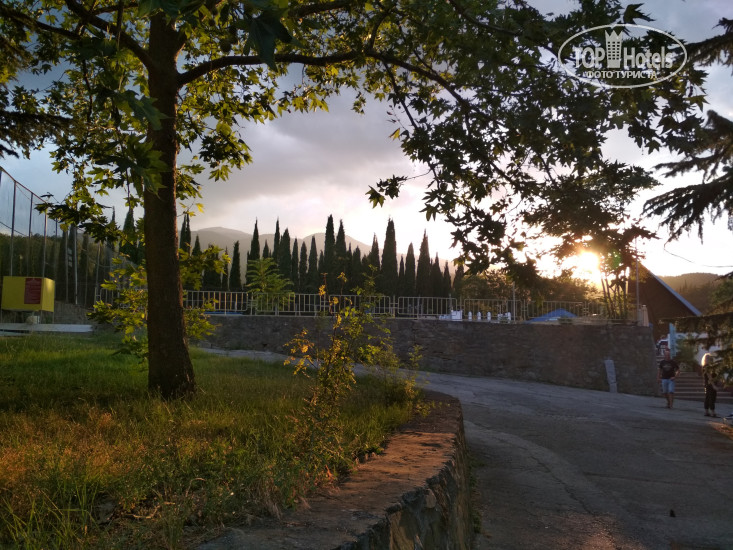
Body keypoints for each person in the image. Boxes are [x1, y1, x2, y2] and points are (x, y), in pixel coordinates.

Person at [701, 353, 720, 417]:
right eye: (707, 358)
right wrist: (713, 385)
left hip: (707, 384)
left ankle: (706, 412)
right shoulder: (707, 367)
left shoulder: (706, 366)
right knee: (711, 398)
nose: (709, 359)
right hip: (710, 385)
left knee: (708, 398)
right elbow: (709, 376)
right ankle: (713, 412)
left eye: (709, 358)